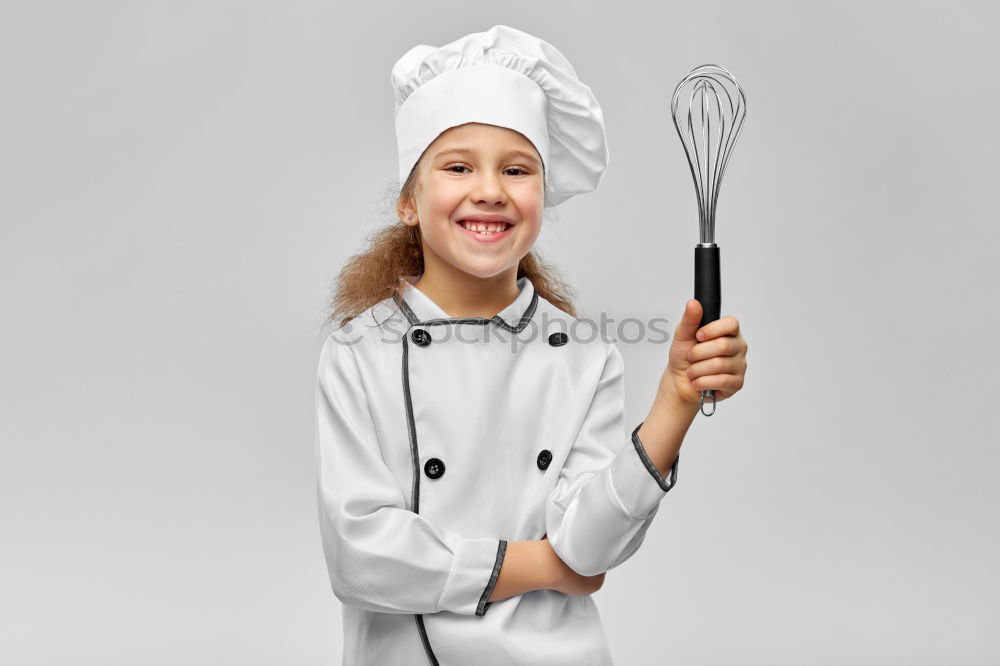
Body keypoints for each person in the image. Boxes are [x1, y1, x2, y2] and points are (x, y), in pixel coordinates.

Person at [315, 24, 749, 665]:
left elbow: (592, 547)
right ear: (409, 199)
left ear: (542, 196)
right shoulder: (359, 352)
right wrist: (543, 564)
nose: (490, 189)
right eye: (458, 166)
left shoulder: (583, 357)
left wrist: (675, 403)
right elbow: (362, 558)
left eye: (517, 170)